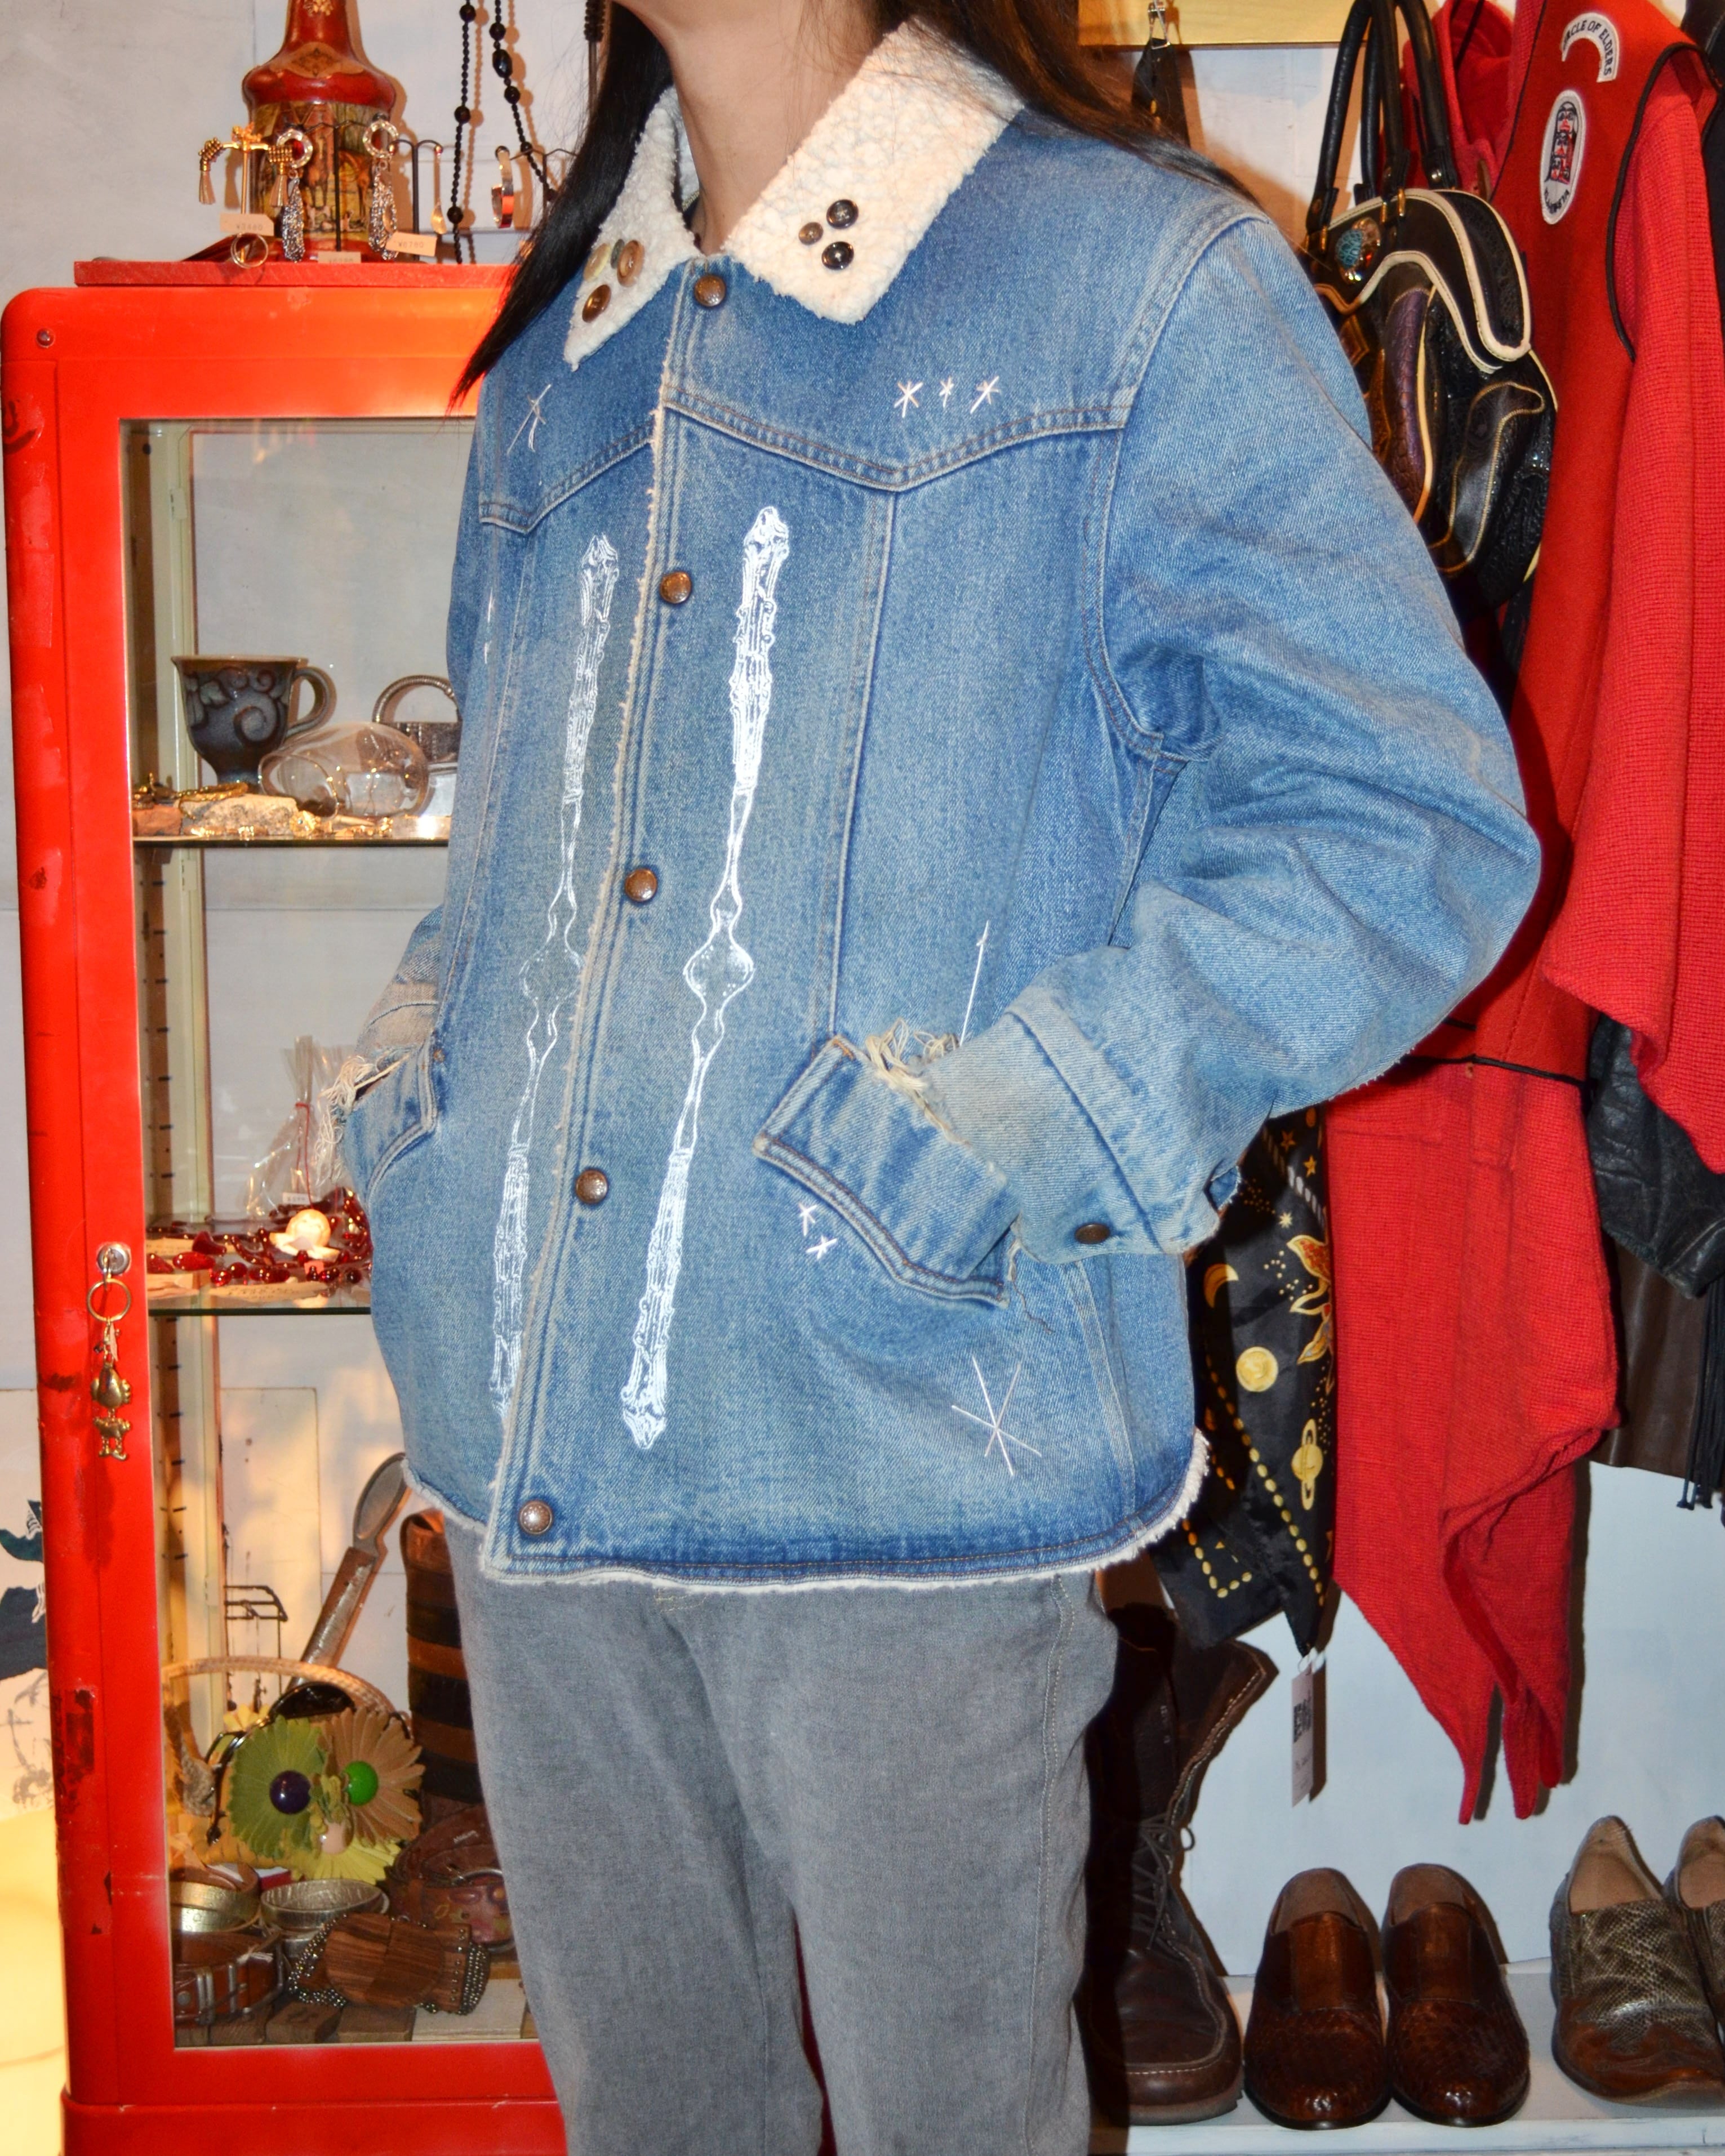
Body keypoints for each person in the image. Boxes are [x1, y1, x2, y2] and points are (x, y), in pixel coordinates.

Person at [326, 3, 1540, 2148]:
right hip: (531, 1470)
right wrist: (422, 1106)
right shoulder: (561, 351)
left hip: (902, 1442)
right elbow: (510, 856)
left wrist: (1009, 1134)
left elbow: (1405, 821)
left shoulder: (1131, 284)